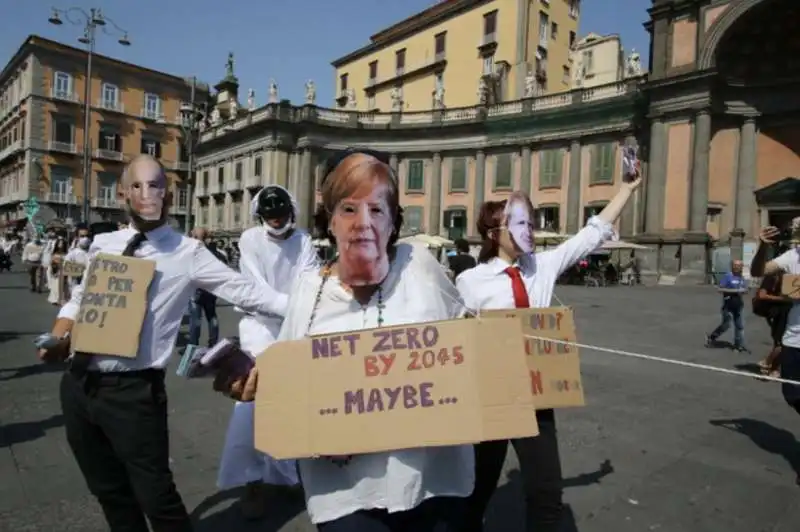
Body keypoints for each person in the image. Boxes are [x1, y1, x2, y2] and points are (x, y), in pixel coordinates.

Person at [36, 154, 296, 532]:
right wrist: (58, 336)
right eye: (138, 186)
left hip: (133, 391)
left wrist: (319, 307)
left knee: (157, 497)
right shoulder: (103, 244)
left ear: (169, 196)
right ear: (123, 194)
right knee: (108, 490)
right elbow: (79, 301)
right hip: (77, 384)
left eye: (156, 185)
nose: (147, 194)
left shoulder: (187, 253)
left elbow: (249, 292)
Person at [214, 149, 470, 531]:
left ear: (394, 220)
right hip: (344, 493)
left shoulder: (423, 269)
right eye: (348, 209)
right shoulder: (308, 291)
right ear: (330, 220)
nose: (362, 223)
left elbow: (464, 340)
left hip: (428, 483)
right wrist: (254, 381)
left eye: (377, 208)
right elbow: (287, 377)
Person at [456, 171, 642, 532]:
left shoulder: (541, 267)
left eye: (530, 223)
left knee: (547, 495)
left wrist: (626, 189)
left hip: (535, 396)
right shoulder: (470, 282)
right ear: (495, 234)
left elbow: (592, 233)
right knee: (474, 492)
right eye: (519, 223)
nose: (529, 231)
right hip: (491, 398)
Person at [217, 184, 318, 520]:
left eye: (281, 214)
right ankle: (253, 480)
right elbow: (254, 287)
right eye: (270, 215)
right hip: (260, 329)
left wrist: (302, 313)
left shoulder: (303, 239)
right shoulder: (250, 240)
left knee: (292, 405)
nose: (276, 221)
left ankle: (287, 474)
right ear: (260, 215)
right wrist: (292, 307)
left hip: (294, 329)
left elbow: (308, 277)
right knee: (252, 407)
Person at [750, 221, 800, 485]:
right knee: (791, 395)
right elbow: (758, 271)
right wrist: (762, 247)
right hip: (794, 340)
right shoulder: (793, 256)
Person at [187, 227, 226, 347]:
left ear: (195, 237)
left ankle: (193, 345)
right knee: (212, 316)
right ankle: (213, 344)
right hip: (212, 290)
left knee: (196, 320)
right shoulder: (219, 253)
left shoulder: (194, 252)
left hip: (196, 290)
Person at [754, 266, 791, 376]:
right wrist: (783, 299)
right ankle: (768, 363)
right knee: (782, 342)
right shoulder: (771, 277)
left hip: (786, 312)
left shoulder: (789, 276)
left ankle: (774, 369)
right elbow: (762, 295)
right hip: (778, 312)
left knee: (781, 342)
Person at [705, 260, 749, 352]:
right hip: (728, 305)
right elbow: (720, 289)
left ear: (741, 267)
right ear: (732, 266)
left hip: (738, 305)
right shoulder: (728, 276)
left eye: (739, 265)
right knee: (726, 324)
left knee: (739, 326)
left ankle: (738, 345)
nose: (736, 267)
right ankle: (712, 336)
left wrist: (745, 290)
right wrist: (735, 291)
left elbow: (745, 289)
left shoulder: (741, 278)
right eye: (735, 265)